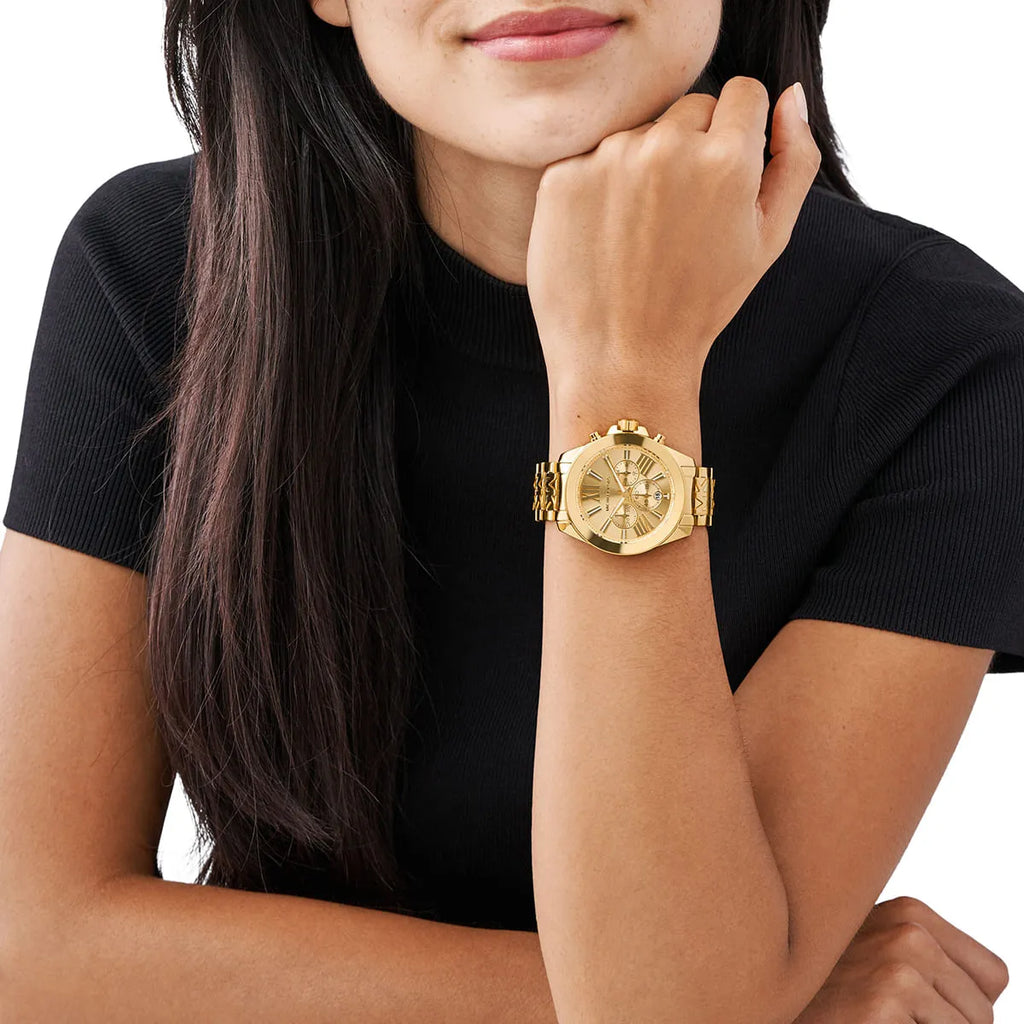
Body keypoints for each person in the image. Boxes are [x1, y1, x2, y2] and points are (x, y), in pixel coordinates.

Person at [0, 0, 1019, 1019]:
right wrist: (757, 999)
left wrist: (627, 375)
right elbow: (30, 946)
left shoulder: (949, 368)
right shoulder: (158, 267)